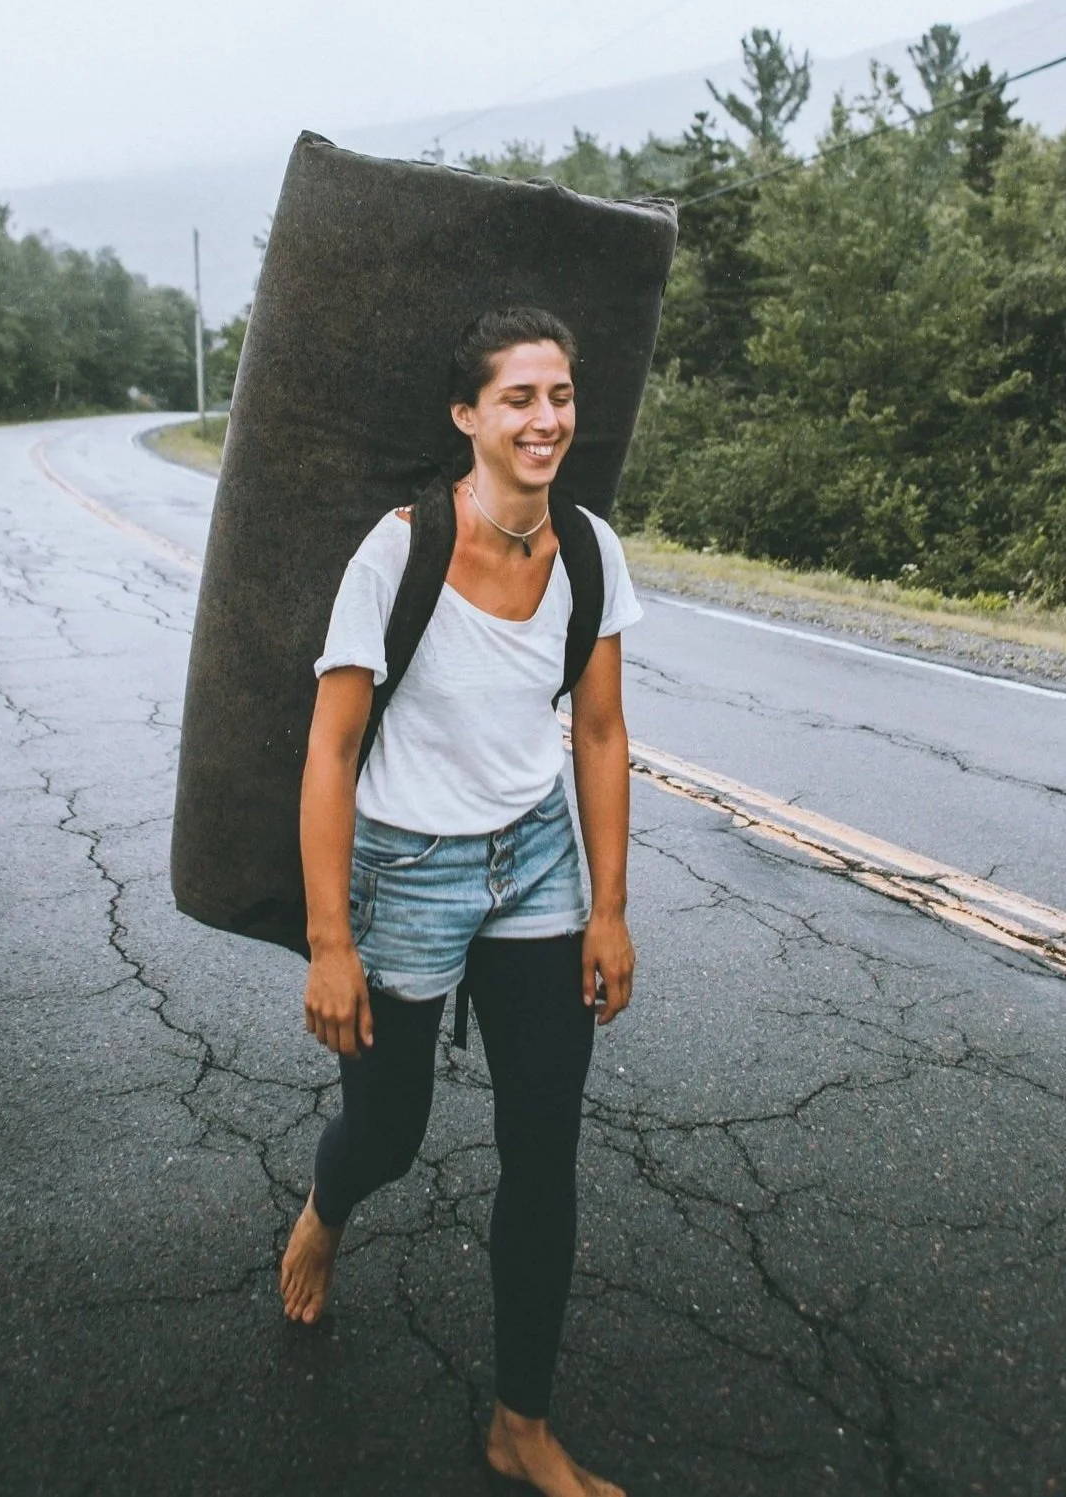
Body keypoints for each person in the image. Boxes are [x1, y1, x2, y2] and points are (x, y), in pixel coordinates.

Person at [280, 306, 639, 1497]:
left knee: (544, 1147)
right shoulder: (398, 552)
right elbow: (332, 749)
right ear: (467, 415)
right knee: (389, 1131)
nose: (546, 419)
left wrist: (607, 907)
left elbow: (599, 733)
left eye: (560, 395)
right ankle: (329, 1205)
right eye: (518, 398)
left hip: (534, 863)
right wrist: (328, 943)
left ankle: (518, 1424)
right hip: (407, 868)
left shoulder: (587, 549)